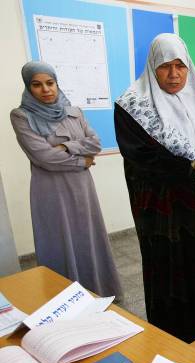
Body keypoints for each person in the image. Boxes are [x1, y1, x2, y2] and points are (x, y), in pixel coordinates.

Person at [114, 33, 195, 343]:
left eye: (181, 65)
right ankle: (167, 344)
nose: (174, 74)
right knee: (166, 280)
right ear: (153, 67)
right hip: (160, 215)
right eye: (165, 66)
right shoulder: (131, 107)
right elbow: (146, 159)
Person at [10, 61, 122, 298]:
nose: (46, 89)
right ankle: (63, 299)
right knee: (58, 241)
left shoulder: (74, 111)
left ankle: (98, 292)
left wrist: (64, 145)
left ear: (57, 84)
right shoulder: (21, 116)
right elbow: (44, 158)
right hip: (51, 190)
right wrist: (81, 160)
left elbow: (95, 143)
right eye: (37, 85)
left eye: (50, 83)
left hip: (82, 188)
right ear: (28, 88)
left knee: (88, 237)